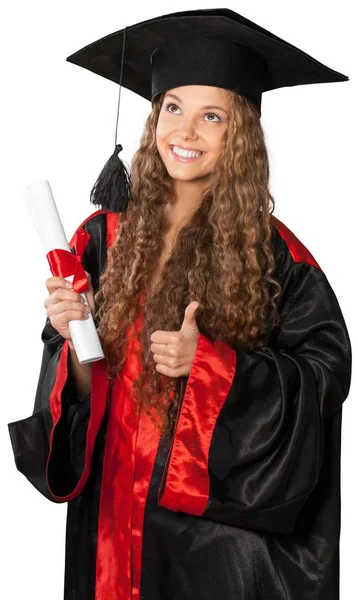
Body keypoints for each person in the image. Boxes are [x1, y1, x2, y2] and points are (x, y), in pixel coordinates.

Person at [8, 8, 352, 600]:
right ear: (151, 118)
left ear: (239, 135)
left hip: (211, 551)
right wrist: (73, 343)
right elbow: (80, 398)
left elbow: (323, 378)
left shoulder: (278, 258)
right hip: (109, 526)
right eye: (172, 108)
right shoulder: (100, 238)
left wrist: (214, 369)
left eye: (211, 116)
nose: (185, 133)